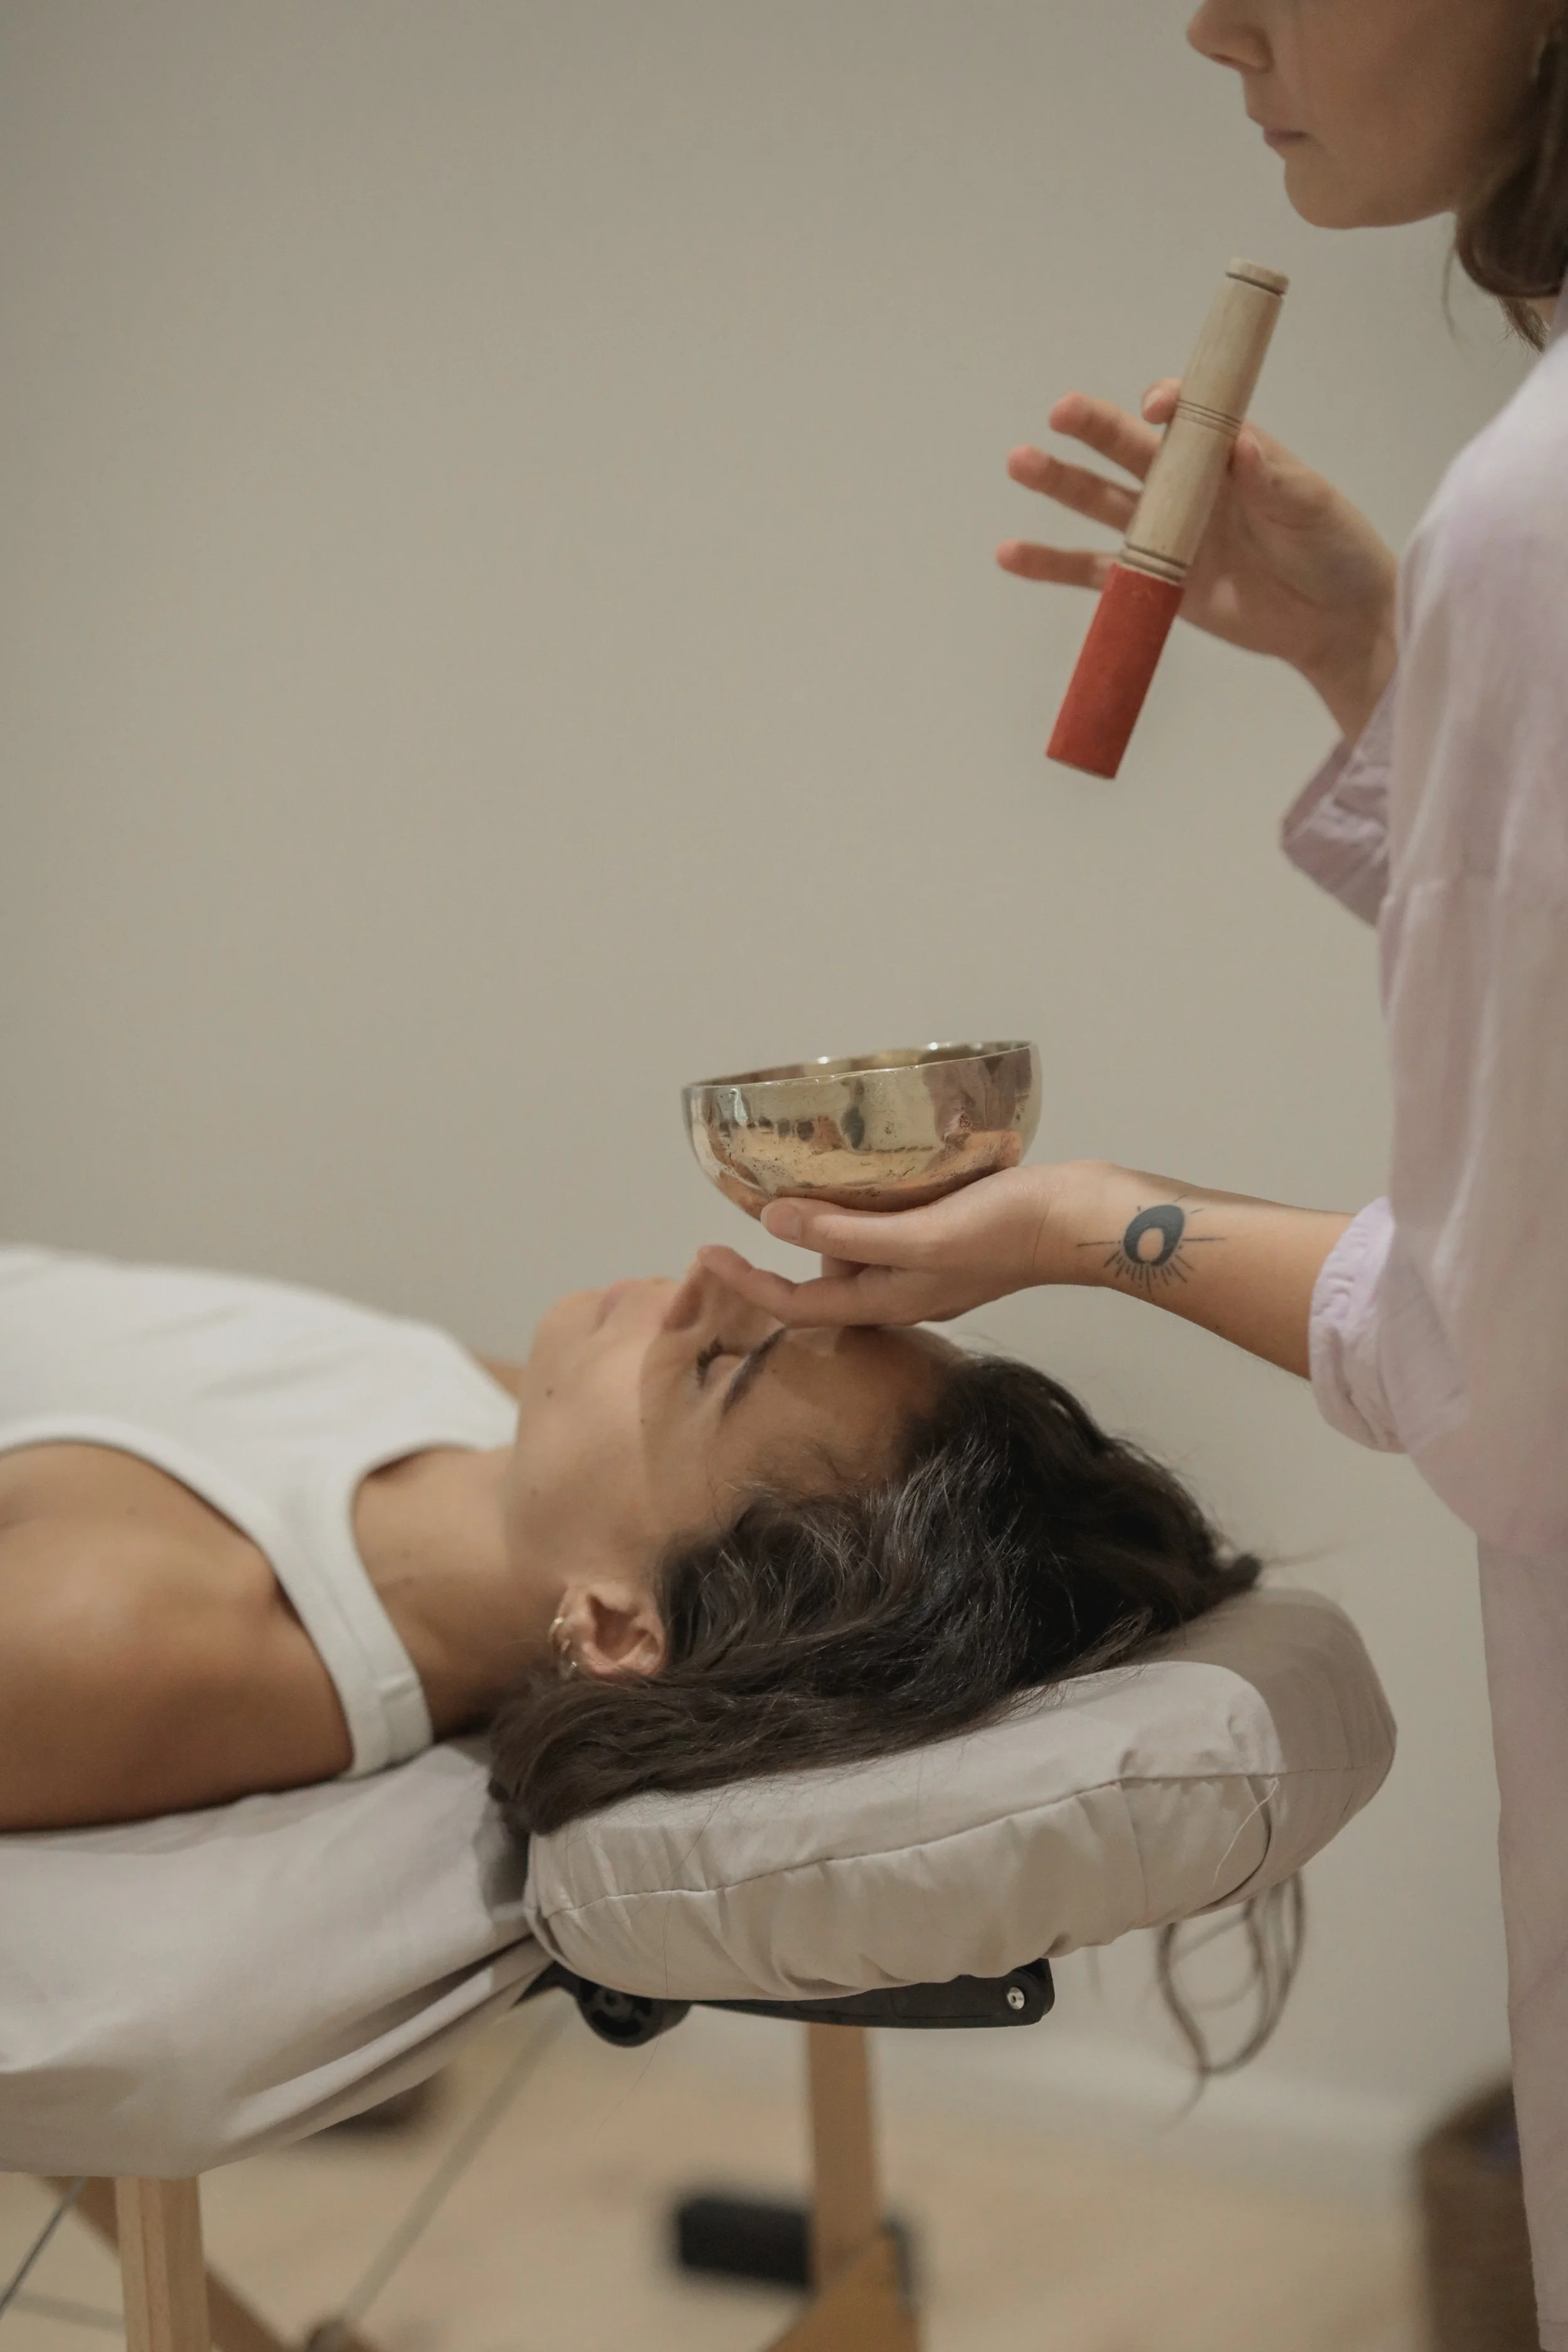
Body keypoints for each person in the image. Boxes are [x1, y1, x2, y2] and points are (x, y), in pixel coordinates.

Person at [710, 0, 1568, 2336]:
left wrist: (1092, 1222)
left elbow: (1505, 1368)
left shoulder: (1537, 511)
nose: (1213, 23)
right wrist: (1381, 652)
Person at [0, 1243, 1258, 1842]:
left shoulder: (131, 1638)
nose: (711, 1274)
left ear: (614, 1624)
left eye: (714, 1364)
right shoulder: (509, 1435)